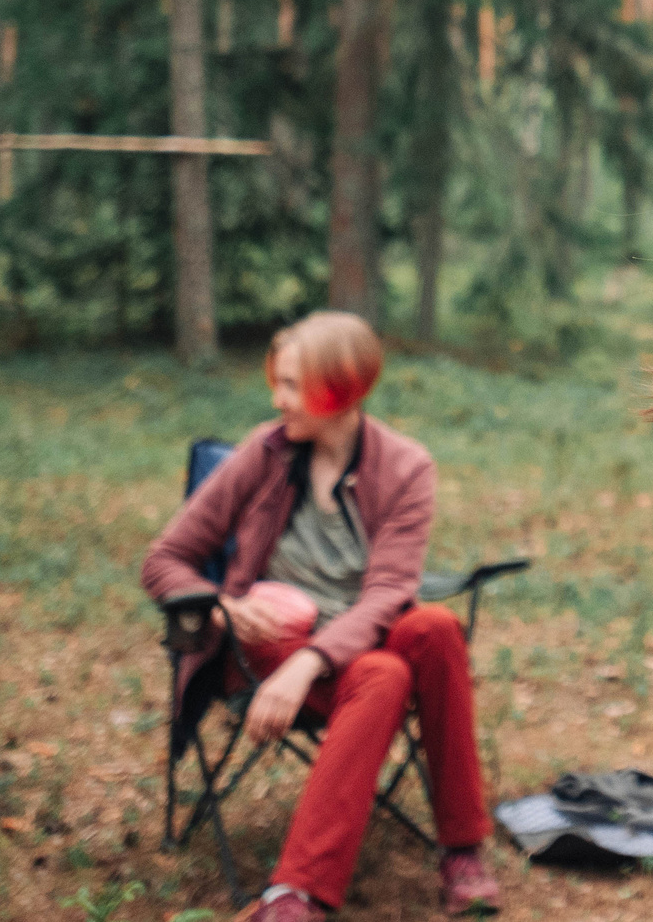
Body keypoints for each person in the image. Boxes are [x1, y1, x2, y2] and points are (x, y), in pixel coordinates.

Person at [142, 312, 498, 920]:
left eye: (292, 385)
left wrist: (307, 666)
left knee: (433, 629)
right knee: (386, 673)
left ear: (340, 390)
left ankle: (460, 851)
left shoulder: (406, 467)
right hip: (272, 640)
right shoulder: (266, 451)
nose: (277, 399)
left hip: (349, 644)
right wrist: (223, 609)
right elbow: (166, 558)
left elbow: (388, 595)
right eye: (276, 382)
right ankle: (296, 895)